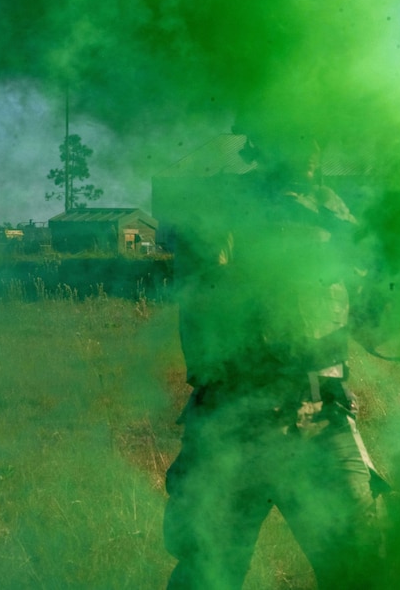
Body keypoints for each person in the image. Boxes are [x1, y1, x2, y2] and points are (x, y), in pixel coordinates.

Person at [162, 133, 387, 589]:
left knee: (361, 565)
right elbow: (207, 296)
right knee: (208, 573)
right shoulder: (224, 202)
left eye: (317, 137)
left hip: (321, 417)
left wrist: (393, 269)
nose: (312, 150)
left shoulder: (331, 208)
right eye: (295, 133)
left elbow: (370, 326)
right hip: (233, 420)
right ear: (263, 140)